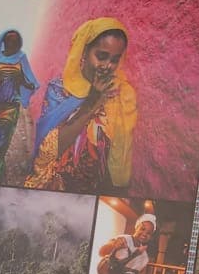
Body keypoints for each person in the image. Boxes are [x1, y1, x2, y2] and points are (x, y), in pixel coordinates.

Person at [25, 18, 136, 194]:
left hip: (91, 190)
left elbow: (120, 155)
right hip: (55, 186)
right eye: (101, 56)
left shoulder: (121, 94)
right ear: (84, 51)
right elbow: (50, 151)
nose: (108, 66)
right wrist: (92, 101)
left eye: (115, 59)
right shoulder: (59, 90)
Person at [0, 29, 38, 186]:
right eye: (9, 41)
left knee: (1, 142)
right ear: (3, 41)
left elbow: (30, 82)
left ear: (19, 44)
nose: (13, 44)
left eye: (16, 42)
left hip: (10, 109)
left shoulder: (21, 58)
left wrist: (22, 81)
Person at [95, 214, 162, 274]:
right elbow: (101, 252)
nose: (144, 234)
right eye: (142, 229)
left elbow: (135, 273)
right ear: (136, 227)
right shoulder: (123, 239)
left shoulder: (144, 256)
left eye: (149, 233)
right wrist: (114, 245)